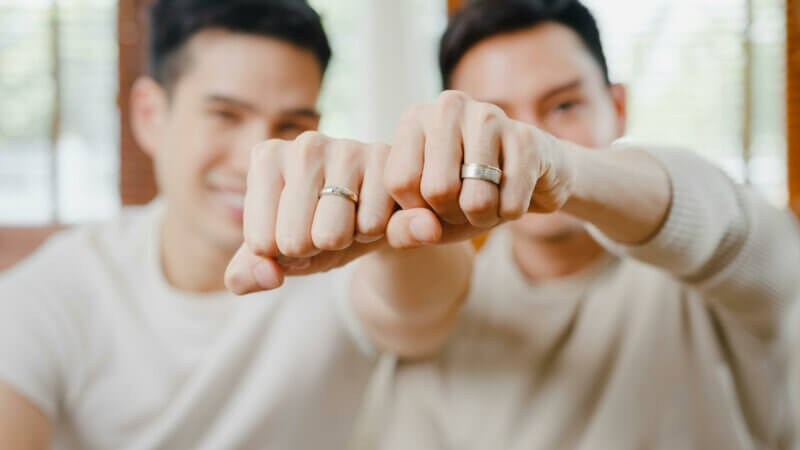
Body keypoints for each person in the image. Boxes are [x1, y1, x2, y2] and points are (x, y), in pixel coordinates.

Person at [229, 1, 800, 449]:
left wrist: (564, 168)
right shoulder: (453, 301)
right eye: (494, 119)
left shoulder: (717, 277)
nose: (521, 142)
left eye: (564, 106)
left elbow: (727, 224)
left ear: (618, 106)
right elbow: (405, 315)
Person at [0, 1, 472, 448]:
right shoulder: (56, 291)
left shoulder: (338, 256)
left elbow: (421, 314)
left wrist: (390, 227)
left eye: (290, 125)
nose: (255, 160)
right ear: (150, 116)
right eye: (225, 115)